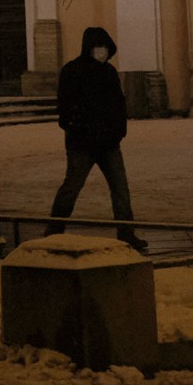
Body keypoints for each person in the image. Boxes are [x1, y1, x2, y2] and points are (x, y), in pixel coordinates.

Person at [48, 25, 145, 246]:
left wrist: (118, 131)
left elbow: (118, 105)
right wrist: (75, 126)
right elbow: (64, 106)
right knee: (72, 186)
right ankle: (54, 230)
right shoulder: (72, 71)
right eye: (98, 47)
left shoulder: (108, 72)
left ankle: (127, 233)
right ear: (88, 48)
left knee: (120, 188)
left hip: (108, 143)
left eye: (104, 47)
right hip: (82, 143)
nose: (102, 51)